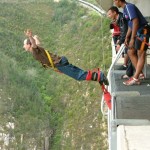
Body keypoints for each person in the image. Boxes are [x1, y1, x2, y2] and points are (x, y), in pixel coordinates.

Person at [23, 29, 109, 87]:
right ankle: (98, 77)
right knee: (79, 73)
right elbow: (37, 43)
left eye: (24, 45)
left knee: (79, 76)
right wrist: (35, 37)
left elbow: (34, 44)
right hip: (60, 62)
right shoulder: (37, 50)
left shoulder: (34, 51)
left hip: (60, 64)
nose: (24, 47)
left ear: (29, 44)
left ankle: (100, 76)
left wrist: (30, 37)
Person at [114, 0, 150, 85]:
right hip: (138, 33)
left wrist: (132, 39)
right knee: (130, 51)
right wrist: (127, 37)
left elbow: (136, 21)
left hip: (143, 31)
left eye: (114, 0)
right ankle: (140, 74)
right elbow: (131, 24)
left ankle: (135, 78)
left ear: (118, 0)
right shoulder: (125, 9)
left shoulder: (129, 7)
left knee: (140, 54)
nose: (114, 3)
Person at [107, 6, 128, 70]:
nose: (108, 16)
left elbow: (124, 31)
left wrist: (119, 43)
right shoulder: (118, 19)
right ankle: (126, 67)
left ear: (115, 13)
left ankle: (129, 69)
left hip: (131, 37)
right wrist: (119, 39)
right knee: (128, 52)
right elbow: (122, 31)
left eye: (110, 14)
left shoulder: (122, 18)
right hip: (123, 37)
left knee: (129, 52)